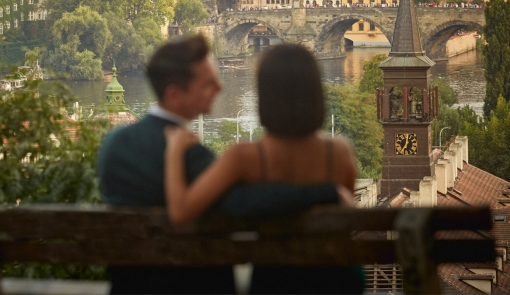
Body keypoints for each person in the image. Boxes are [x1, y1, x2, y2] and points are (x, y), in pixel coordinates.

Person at [97, 35, 345, 294]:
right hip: (196, 286)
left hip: (130, 286)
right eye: (208, 83)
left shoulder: (113, 144)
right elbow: (246, 203)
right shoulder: (193, 157)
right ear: (174, 94)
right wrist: (327, 192)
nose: (220, 88)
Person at [164, 43, 364, 294]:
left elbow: (181, 213)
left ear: (265, 94)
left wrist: (173, 151)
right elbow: (343, 217)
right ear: (315, 92)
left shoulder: (245, 157)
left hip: (274, 282)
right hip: (336, 279)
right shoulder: (339, 153)